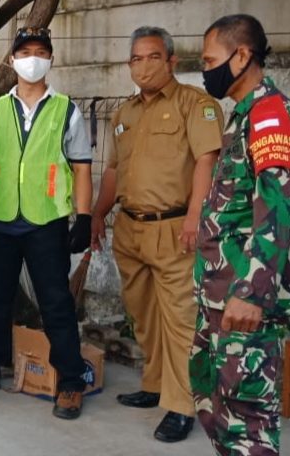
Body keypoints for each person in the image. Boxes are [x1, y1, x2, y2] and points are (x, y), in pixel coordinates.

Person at [90, 27, 224, 442]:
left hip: (175, 229)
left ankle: (182, 404)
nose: (142, 66)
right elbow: (113, 169)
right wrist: (98, 214)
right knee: (143, 316)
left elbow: (207, 160)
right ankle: (153, 385)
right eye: (135, 58)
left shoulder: (196, 105)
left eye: (152, 57)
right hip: (129, 229)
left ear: (171, 62)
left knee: (180, 320)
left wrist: (194, 217)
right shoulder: (124, 113)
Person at [191, 14, 290, 456]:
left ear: (242, 56)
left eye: (210, 60)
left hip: (244, 302)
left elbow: (277, 213)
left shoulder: (270, 119)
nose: (206, 70)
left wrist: (252, 293)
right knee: (217, 409)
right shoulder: (243, 117)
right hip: (222, 297)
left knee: (248, 423)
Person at [0, 27, 93, 420]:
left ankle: (70, 382)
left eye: (40, 51)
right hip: (0, 220)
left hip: (46, 222)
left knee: (55, 304)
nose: (32, 58)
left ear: (50, 59)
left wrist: (84, 217)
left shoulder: (66, 110)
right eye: (24, 52)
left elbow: (82, 167)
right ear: (12, 60)